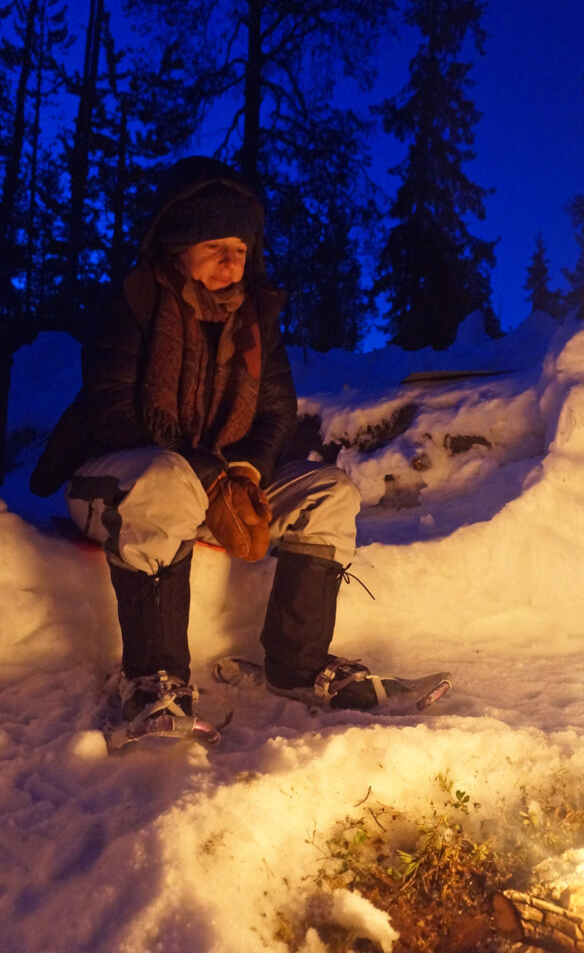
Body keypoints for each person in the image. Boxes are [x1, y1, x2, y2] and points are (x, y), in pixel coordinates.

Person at [31, 156, 439, 734]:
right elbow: (113, 412)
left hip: (216, 480)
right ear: (179, 247)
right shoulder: (132, 305)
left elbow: (275, 411)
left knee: (329, 491)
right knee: (169, 479)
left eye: (240, 249)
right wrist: (207, 474)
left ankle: (297, 668)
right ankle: (154, 681)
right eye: (214, 246)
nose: (231, 260)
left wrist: (245, 470)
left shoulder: (255, 320)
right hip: (117, 482)